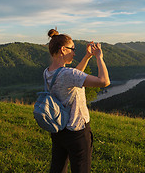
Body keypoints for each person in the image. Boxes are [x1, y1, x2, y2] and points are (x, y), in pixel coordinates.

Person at [45, 29, 110, 173]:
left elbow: (75, 77)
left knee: (58, 167)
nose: (74, 53)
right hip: (77, 131)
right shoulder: (67, 74)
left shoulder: (48, 72)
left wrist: (87, 57)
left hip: (58, 129)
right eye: (72, 49)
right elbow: (104, 81)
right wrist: (99, 57)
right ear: (63, 50)